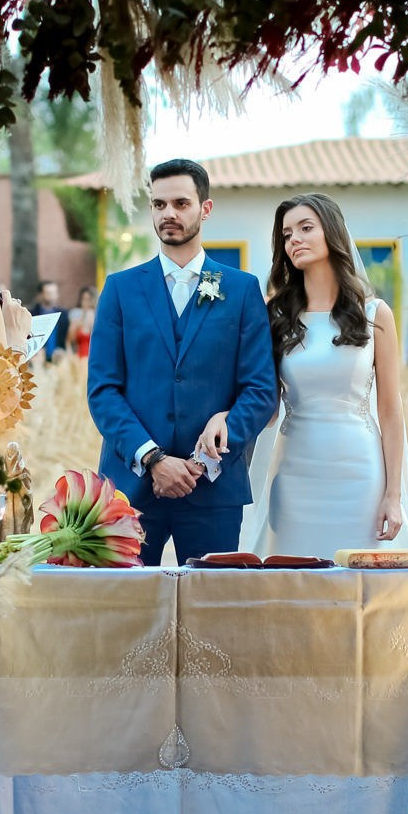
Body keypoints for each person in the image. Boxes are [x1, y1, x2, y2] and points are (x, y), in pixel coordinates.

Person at [211, 192, 408, 558]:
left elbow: (391, 410)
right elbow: (266, 406)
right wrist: (224, 416)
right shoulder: (275, 316)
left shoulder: (375, 313)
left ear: (332, 232)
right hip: (294, 475)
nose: (294, 239)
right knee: (292, 576)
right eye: (287, 234)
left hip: (361, 474)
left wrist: (394, 495)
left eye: (305, 228)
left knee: (361, 579)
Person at [86, 158, 277, 565]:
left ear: (205, 209)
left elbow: (260, 390)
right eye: (159, 204)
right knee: (127, 602)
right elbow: (103, 391)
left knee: (212, 601)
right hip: (131, 490)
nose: (168, 213)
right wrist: (153, 460)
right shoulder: (120, 289)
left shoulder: (241, 289)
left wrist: (201, 463)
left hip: (213, 490)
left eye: (180, 203)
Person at [32, 280, 70, 362]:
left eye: (54, 293)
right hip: (38, 359)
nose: (52, 296)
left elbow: (67, 337)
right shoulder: (32, 314)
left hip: (59, 358)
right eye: (49, 293)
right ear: (40, 295)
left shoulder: (63, 314)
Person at [66, 285, 96, 359]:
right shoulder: (77, 319)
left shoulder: (98, 319)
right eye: (84, 299)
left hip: (95, 357)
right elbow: (69, 341)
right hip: (80, 357)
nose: (86, 302)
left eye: (89, 299)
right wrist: (70, 355)